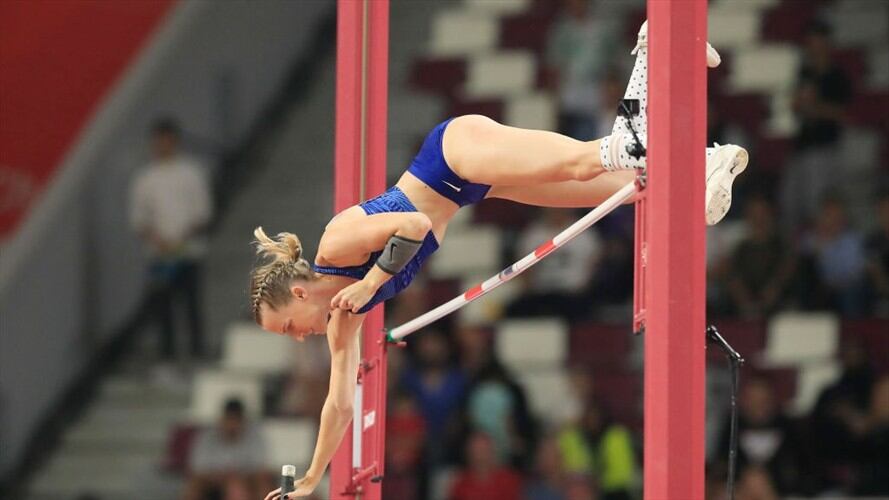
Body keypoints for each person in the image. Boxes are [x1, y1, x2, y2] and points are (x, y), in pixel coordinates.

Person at [259, 22, 748, 499]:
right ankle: (700, 150)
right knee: (622, 188)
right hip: (471, 187)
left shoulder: (335, 246)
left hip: (453, 155)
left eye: (287, 327)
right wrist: (307, 481)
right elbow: (339, 405)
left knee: (595, 159)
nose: (299, 337)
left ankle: (658, 47)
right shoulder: (343, 321)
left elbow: (415, 226)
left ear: (299, 292)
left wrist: (369, 285)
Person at [130, 118, 212, 366]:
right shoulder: (145, 178)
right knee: (163, 307)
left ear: (174, 141)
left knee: (191, 304)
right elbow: (139, 218)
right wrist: (159, 240)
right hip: (160, 254)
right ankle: (167, 358)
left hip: (188, 251)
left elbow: (202, 212)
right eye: (159, 141)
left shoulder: (191, 173)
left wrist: (181, 238)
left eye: (167, 140)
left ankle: (197, 353)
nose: (163, 145)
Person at [184, 398, 272, 500]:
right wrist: (222, 476)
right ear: (223, 419)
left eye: (236, 421)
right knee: (194, 484)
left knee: (260, 483)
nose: (232, 425)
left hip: (245, 478)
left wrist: (237, 477)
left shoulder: (255, 437)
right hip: (211, 479)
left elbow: (260, 468)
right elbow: (198, 468)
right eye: (230, 420)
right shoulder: (207, 437)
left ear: (243, 421)